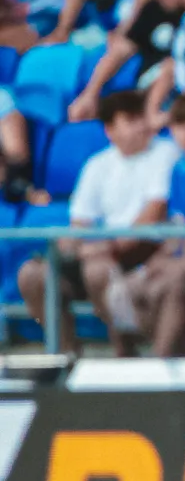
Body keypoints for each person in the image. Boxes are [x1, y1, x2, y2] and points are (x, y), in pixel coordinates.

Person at [19, 91, 177, 354]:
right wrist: (74, 248)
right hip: (103, 250)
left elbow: (154, 213)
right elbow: (80, 222)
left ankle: (125, 354)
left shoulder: (166, 153)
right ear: (110, 130)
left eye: (141, 117)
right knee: (32, 274)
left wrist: (107, 246)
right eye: (131, 120)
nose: (141, 125)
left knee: (98, 269)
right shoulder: (97, 164)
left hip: (145, 249)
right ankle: (67, 357)